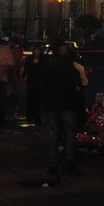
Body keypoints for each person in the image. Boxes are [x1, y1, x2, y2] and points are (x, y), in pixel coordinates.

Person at [42, 39, 82, 178]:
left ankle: (53, 163)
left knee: (53, 135)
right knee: (70, 133)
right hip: (66, 103)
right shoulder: (68, 64)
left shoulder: (48, 64)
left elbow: (44, 84)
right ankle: (69, 161)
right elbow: (74, 84)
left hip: (51, 103)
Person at [22, 44, 45, 126]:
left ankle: (37, 118)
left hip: (39, 82)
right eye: (35, 50)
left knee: (38, 101)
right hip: (31, 81)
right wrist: (23, 77)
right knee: (30, 100)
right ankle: (30, 117)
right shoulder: (30, 59)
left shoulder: (43, 60)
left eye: (37, 50)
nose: (36, 51)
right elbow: (26, 69)